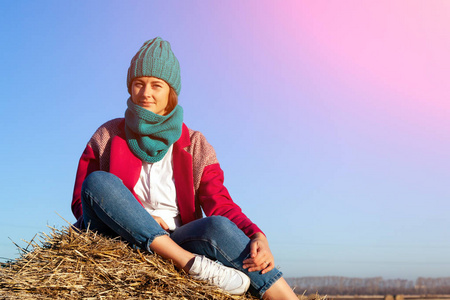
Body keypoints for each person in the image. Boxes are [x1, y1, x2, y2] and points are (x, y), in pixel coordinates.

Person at [71, 37, 298, 299]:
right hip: (118, 234)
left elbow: (220, 203)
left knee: (218, 226)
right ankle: (191, 265)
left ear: (170, 92)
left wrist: (257, 235)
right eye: (138, 84)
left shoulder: (194, 143)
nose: (146, 93)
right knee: (98, 181)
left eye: (156, 85)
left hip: (177, 235)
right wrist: (139, 217)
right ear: (130, 89)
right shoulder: (109, 134)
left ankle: (284, 296)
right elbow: (83, 199)